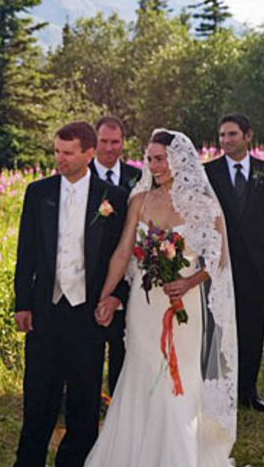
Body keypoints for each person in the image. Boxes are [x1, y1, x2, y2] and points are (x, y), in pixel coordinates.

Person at [87, 130, 237, 467]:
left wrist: (188, 282)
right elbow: (124, 252)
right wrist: (105, 294)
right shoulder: (139, 201)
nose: (153, 166)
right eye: (150, 159)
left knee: (177, 377)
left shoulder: (203, 205)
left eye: (160, 159)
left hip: (185, 304)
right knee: (140, 370)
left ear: (180, 160)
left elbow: (219, 259)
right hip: (144, 305)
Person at [13, 122, 128, 467]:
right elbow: (27, 252)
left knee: (84, 399)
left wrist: (115, 297)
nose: (59, 159)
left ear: (89, 154)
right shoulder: (38, 192)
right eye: (56, 152)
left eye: (67, 153)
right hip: (45, 310)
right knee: (38, 396)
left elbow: (123, 257)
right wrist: (22, 303)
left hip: (87, 314)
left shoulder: (114, 199)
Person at [205, 113, 264, 412]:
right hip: (220, 266)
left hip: (257, 266)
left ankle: (248, 392)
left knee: (253, 329)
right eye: (222, 135)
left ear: (248, 136)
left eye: (232, 135)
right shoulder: (208, 173)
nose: (225, 141)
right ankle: (218, 392)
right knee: (220, 329)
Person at [88, 115, 142, 395]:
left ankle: (120, 403)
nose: (109, 148)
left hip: (130, 276)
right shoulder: (79, 175)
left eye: (115, 142)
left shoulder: (139, 178)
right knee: (87, 352)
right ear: (94, 143)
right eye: (104, 141)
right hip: (88, 279)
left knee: (123, 346)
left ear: (123, 143)